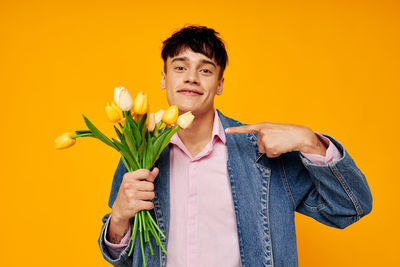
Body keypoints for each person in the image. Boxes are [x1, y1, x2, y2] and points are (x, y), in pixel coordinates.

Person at [98, 25, 373, 267]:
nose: (191, 77)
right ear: (163, 78)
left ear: (219, 84)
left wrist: (310, 142)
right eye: (180, 67)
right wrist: (119, 219)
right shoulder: (139, 152)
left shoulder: (262, 153)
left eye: (205, 70)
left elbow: (350, 208)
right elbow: (125, 259)